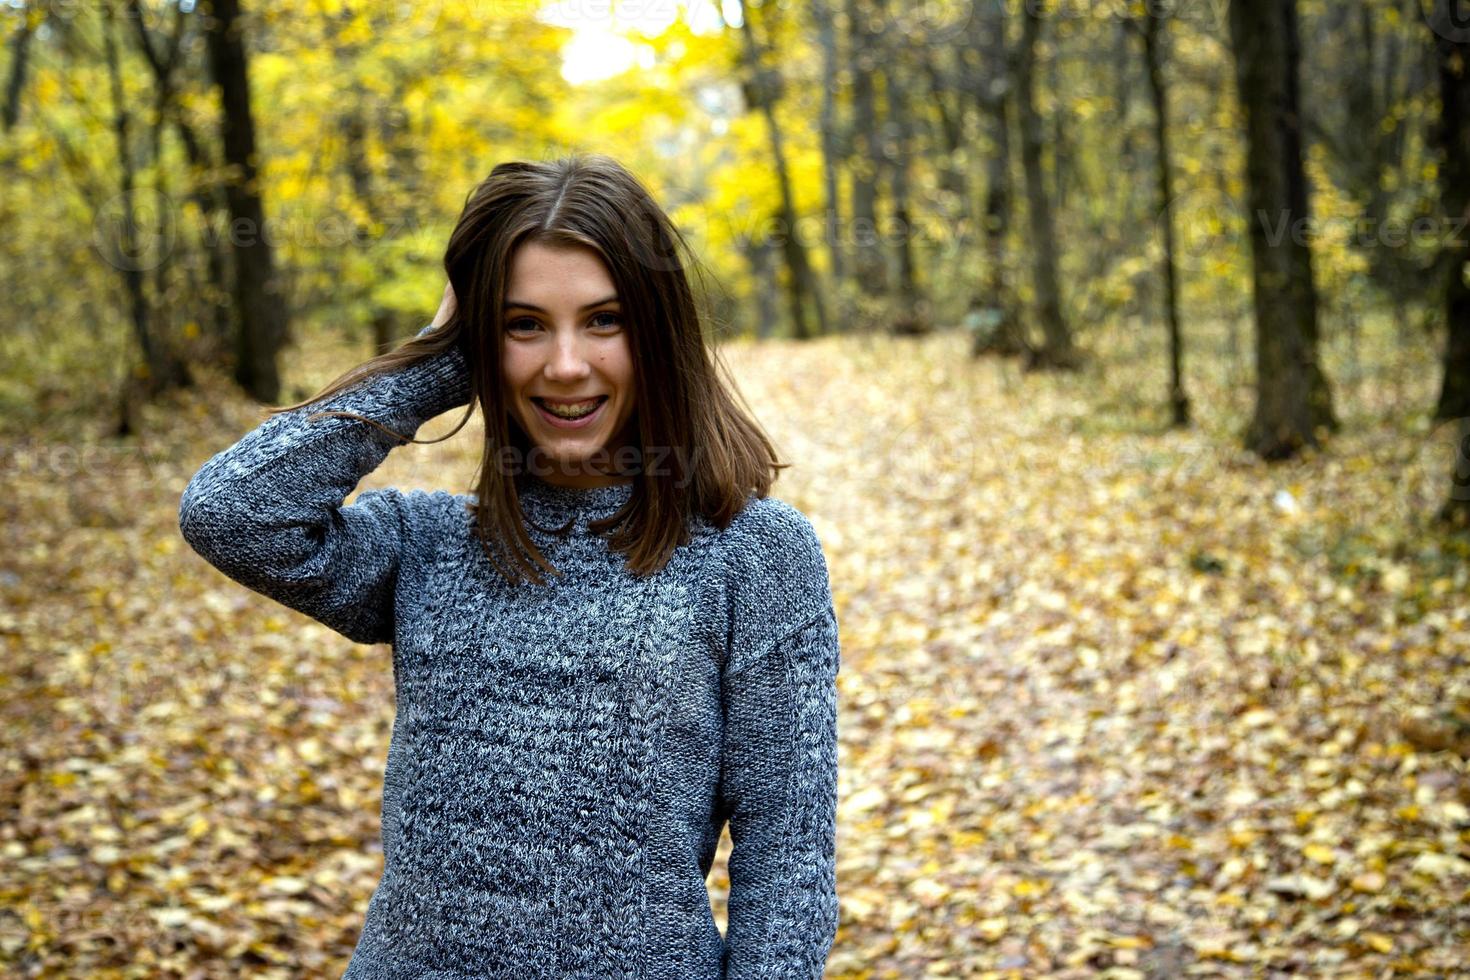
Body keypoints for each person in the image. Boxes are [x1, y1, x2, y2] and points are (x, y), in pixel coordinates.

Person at [177, 154, 841, 978]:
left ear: (657, 333)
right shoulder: (426, 542)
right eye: (524, 324)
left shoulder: (755, 555)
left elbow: (788, 868)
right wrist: (434, 362)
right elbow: (231, 513)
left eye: (604, 320)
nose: (565, 364)